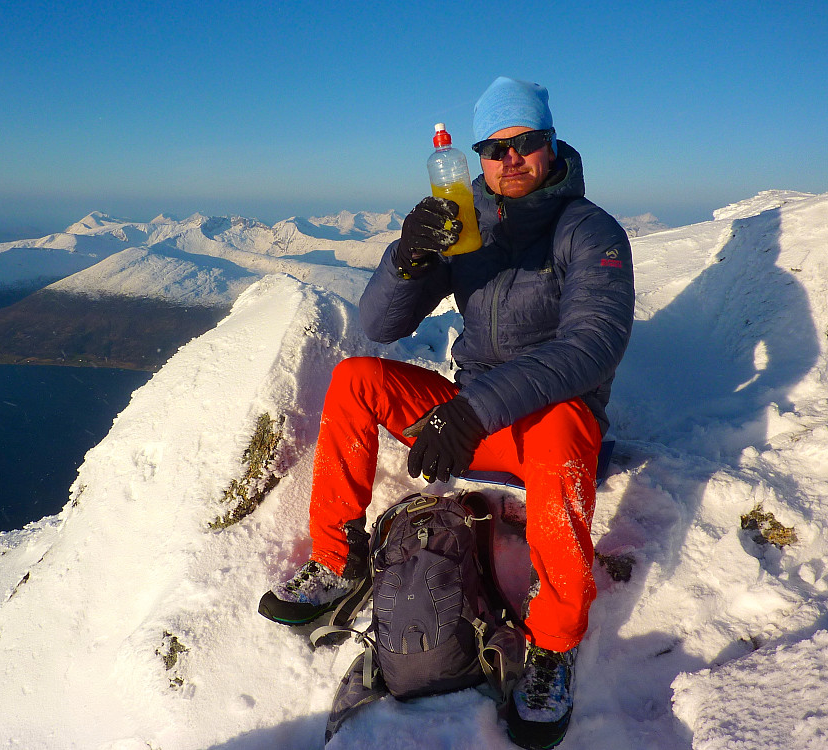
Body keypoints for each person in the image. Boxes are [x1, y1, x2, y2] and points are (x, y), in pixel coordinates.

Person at [259, 77, 635, 749]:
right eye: (495, 148)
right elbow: (380, 325)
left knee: (564, 421)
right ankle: (338, 560)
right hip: (471, 420)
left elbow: (593, 347)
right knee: (356, 379)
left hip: (551, 435)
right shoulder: (469, 223)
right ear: (477, 157)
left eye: (527, 143)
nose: (510, 160)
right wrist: (406, 259)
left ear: (552, 145)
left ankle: (551, 646)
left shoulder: (590, 230)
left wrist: (473, 411)